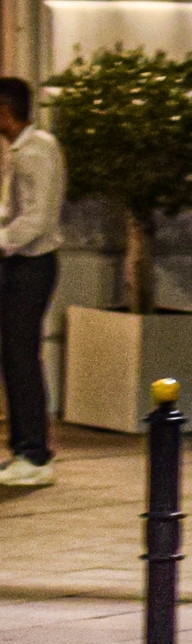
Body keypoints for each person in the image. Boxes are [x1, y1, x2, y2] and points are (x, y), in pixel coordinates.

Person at [0, 77, 65, 489]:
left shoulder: (38, 149)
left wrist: (2, 240)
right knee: (13, 355)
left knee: (22, 357)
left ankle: (35, 454)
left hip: (33, 266)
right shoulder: (22, 148)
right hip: (20, 264)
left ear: (5, 108)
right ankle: (23, 450)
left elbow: (39, 217)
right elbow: (15, 208)